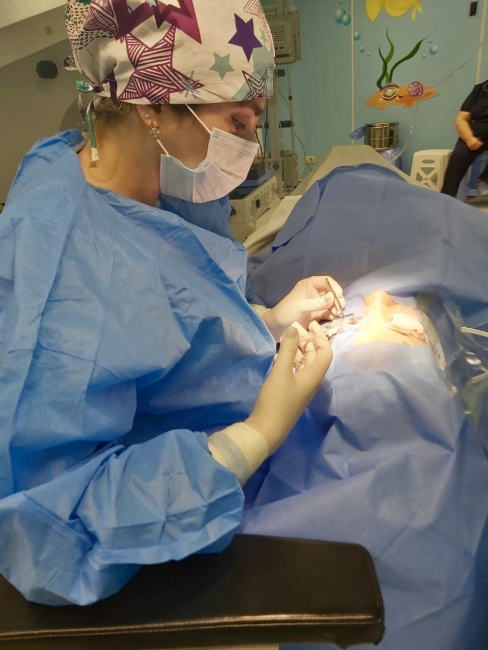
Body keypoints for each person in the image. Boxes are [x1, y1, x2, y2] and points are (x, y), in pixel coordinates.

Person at [0, 0, 346, 606]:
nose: (249, 145)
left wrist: (266, 321)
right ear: (153, 105)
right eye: (238, 122)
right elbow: (51, 526)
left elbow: (174, 321)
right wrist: (256, 435)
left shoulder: (164, 186)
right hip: (183, 509)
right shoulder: (63, 257)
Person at [441, 81, 488, 197]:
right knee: (458, 156)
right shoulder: (481, 89)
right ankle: (446, 197)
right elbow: (461, 118)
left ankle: (484, 179)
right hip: (475, 134)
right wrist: (469, 138)